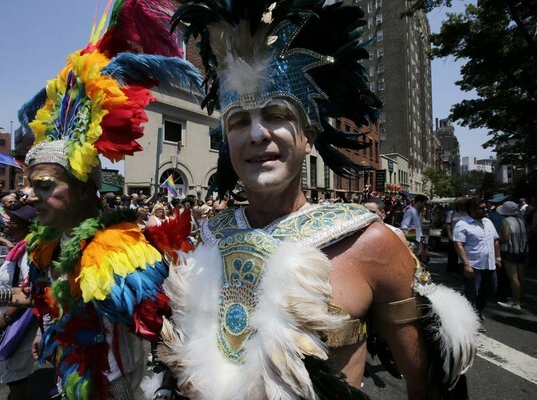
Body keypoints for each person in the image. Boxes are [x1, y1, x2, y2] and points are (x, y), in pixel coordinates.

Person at [148, 2, 479, 399]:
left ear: (308, 136)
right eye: (238, 120)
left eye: (275, 115)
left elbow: (429, 387)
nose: (256, 134)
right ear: (226, 142)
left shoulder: (370, 243)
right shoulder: (199, 242)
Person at [0, 1, 201, 398]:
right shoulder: (49, 243)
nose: (30, 195)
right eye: (31, 185)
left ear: (81, 189)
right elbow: (49, 295)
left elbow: (165, 324)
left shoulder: (117, 247)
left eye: (44, 185)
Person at [0, 205, 39, 400]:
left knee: (14, 364)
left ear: (27, 226)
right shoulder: (20, 247)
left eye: (13, 222)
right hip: (14, 311)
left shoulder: (29, 252)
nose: (7, 224)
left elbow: (30, 290)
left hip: (20, 315)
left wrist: (6, 317)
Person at [453, 197, 501, 328]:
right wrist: (466, 265)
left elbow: (496, 240)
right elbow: (458, 244)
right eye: (482, 208)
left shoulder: (488, 222)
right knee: (472, 292)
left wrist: (498, 258)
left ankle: (477, 309)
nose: (486, 209)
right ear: (472, 210)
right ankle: (472, 319)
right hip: (473, 264)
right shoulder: (462, 224)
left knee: (491, 289)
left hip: (489, 264)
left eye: (486, 207)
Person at [495, 201, 528, 310]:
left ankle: (515, 302)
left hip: (510, 251)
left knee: (513, 277)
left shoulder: (506, 221)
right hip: (522, 250)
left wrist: (497, 241)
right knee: (521, 276)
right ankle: (521, 299)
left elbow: (505, 236)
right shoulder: (521, 220)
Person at [444, 197, 468, 275]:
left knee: (464, 253)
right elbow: (448, 225)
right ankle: (453, 270)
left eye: (464, 204)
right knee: (453, 254)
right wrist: (450, 235)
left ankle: (463, 268)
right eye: (461, 205)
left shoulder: (468, 213)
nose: (463, 206)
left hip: (465, 237)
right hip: (454, 237)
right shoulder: (452, 213)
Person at [400, 194, 429, 259]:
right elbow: (404, 227)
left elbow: (419, 230)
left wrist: (423, 243)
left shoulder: (418, 213)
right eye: (424, 203)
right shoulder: (410, 212)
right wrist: (411, 241)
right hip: (412, 243)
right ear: (419, 202)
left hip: (417, 243)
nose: (425, 206)